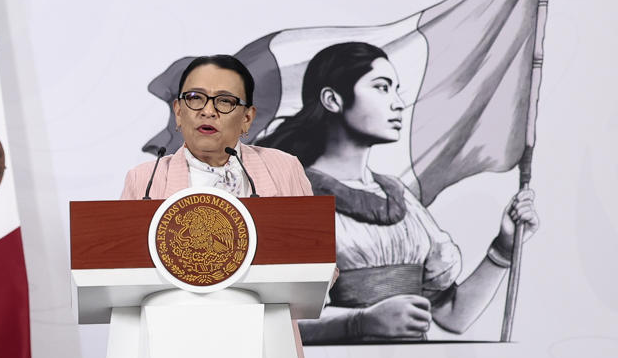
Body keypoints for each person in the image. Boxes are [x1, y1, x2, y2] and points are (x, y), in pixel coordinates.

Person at [256, 41, 538, 342]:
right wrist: (360, 322)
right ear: (332, 99)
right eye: (381, 87)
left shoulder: (398, 196)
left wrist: (505, 247)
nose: (397, 102)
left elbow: (453, 316)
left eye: (396, 88)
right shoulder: (292, 193)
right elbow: (273, 322)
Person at [121, 54, 312, 200]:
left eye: (225, 101)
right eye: (195, 98)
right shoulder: (143, 180)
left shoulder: (285, 170)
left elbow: (311, 247)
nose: (208, 111)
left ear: (246, 118)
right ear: (179, 113)